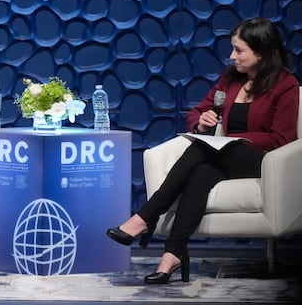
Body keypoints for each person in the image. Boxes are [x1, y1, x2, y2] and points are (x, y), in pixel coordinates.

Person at [107, 17, 299, 284]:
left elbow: (282, 138)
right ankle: (173, 254)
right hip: (225, 156)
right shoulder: (231, 79)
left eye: (239, 50)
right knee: (202, 172)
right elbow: (199, 111)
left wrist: (234, 139)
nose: (232, 56)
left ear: (262, 52)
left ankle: (145, 216)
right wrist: (202, 120)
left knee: (201, 149)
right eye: (232, 48)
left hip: (263, 161)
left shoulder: (285, 84)